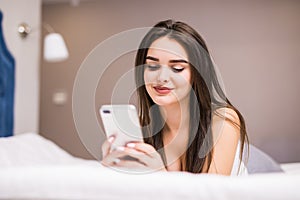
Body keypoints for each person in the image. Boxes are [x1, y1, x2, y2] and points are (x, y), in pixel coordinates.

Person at [101, 19, 249, 175]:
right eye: (152, 66)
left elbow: (211, 194)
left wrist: (158, 172)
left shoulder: (223, 120)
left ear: (196, 75)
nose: (162, 77)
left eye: (177, 68)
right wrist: (116, 171)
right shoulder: (142, 131)